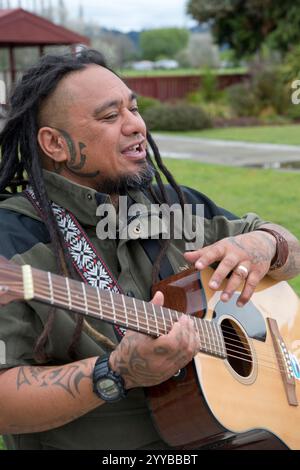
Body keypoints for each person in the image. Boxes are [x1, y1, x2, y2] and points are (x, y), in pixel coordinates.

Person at [0, 49, 299, 451]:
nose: (136, 125)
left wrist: (265, 243)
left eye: (134, 109)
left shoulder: (171, 205)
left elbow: (290, 254)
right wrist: (116, 372)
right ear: (55, 144)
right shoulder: (12, 239)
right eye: (110, 117)